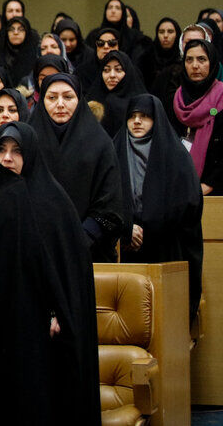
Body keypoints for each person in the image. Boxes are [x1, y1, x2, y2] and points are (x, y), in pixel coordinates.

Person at [0, 122, 100, 426]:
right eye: (1, 150)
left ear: (30, 154)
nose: (7, 158)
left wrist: (59, 310)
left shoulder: (53, 203)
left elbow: (69, 268)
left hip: (37, 328)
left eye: (16, 151)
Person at [115, 94, 203, 322]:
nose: (136, 122)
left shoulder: (174, 155)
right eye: (132, 116)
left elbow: (190, 203)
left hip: (168, 248)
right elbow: (104, 198)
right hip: (125, 250)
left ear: (157, 120)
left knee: (166, 320)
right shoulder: (114, 150)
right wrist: (125, 225)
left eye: (145, 117)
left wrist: (154, 224)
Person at [28, 73, 125, 260]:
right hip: (35, 251)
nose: (60, 104)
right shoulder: (28, 142)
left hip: (88, 251)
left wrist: (79, 240)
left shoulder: (100, 143)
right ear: (43, 101)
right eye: (52, 97)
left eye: (68, 97)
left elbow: (109, 205)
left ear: (79, 99)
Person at [173, 39, 223, 195]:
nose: (195, 65)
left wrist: (209, 184)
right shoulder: (177, 99)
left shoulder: (221, 97)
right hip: (180, 189)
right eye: (189, 60)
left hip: (217, 189)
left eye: (202, 59)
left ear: (212, 63)